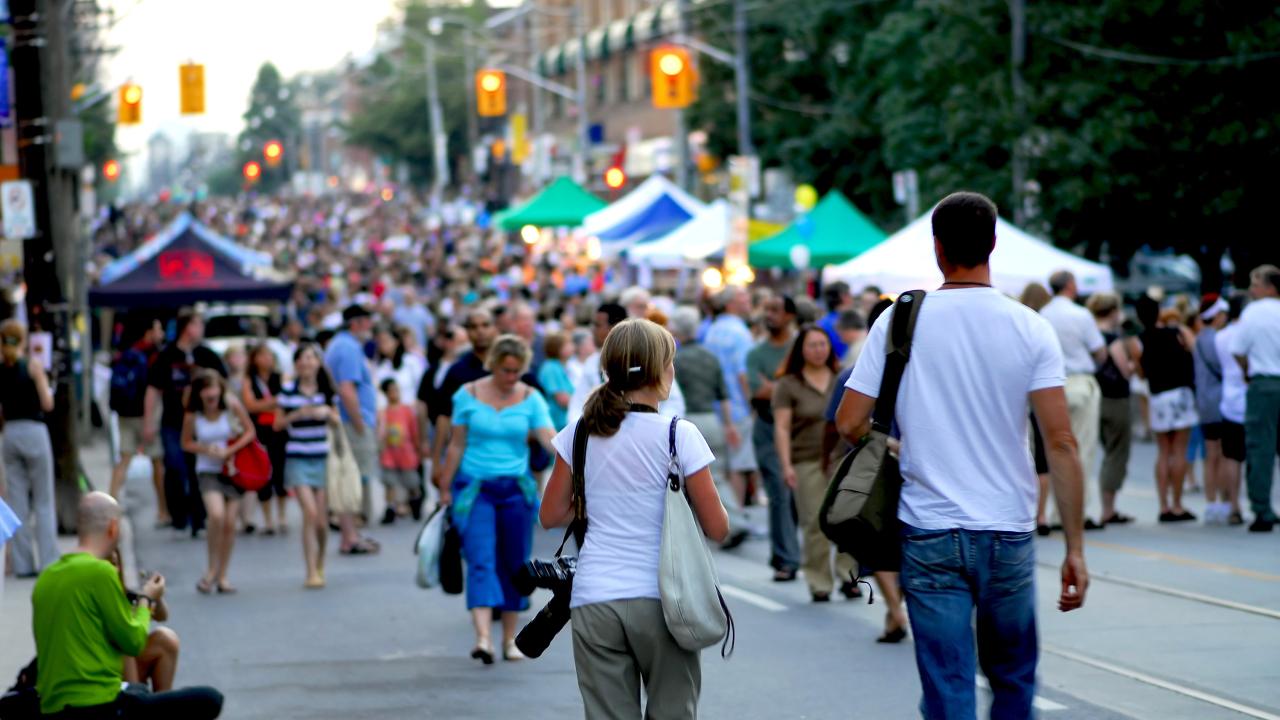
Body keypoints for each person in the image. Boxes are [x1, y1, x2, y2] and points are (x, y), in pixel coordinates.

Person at [836, 191, 1088, 718]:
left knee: (949, 686)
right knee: (1014, 679)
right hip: (1009, 530)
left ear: (936, 248)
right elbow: (1061, 443)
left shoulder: (898, 322)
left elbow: (849, 422)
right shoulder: (1030, 327)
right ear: (994, 244)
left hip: (929, 528)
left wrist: (902, 443)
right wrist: (1075, 548)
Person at [540, 318, 729, 719]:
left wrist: (598, 488)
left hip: (595, 596)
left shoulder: (578, 433)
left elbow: (551, 515)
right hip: (664, 598)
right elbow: (718, 527)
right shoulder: (679, 434)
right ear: (664, 371)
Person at [32, 492, 223, 718]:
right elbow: (132, 642)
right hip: (100, 705)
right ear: (113, 528)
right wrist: (145, 600)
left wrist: (149, 598)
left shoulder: (46, 577)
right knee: (211, 699)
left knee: (162, 644)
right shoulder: (98, 572)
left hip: (52, 709)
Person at [436, 335, 556, 664]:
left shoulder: (531, 398)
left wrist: (572, 456)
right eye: (506, 370)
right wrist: (445, 485)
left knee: (515, 563)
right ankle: (484, 638)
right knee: (480, 558)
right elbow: (456, 444)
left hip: (516, 489)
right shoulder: (468, 395)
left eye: (517, 371)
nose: (511, 377)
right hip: (475, 489)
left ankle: (509, 640)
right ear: (493, 365)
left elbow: (548, 438)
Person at [773, 324, 856, 602]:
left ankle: (850, 576)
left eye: (823, 344)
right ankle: (819, 581)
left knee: (846, 518)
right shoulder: (789, 384)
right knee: (815, 522)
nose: (819, 350)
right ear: (801, 350)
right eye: (812, 345)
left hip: (842, 458)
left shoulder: (840, 377)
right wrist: (785, 464)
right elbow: (782, 428)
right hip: (805, 459)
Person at [671, 306, 750, 548]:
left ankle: (719, 525)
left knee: (687, 479)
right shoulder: (710, 357)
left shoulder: (676, 359)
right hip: (712, 419)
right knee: (718, 476)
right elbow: (723, 394)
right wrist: (729, 425)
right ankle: (734, 518)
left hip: (687, 420)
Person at [145, 309, 226, 535]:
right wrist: (148, 422)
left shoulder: (207, 355)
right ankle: (178, 513)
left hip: (201, 423)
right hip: (173, 421)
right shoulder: (167, 356)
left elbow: (224, 383)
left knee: (196, 469)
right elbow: (153, 389)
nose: (201, 330)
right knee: (175, 465)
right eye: (197, 324)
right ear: (187, 327)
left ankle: (198, 516)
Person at [1040, 270, 1106, 530]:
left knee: (1056, 449)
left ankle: (1053, 510)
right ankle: (1078, 511)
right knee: (1083, 448)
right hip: (1079, 380)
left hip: (1051, 383)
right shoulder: (1081, 314)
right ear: (1070, 285)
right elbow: (1099, 351)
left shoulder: (1044, 315)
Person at [182, 370, 255, 595]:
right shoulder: (193, 415)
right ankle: (211, 569)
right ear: (200, 393)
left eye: (214, 390)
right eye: (206, 391)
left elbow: (250, 432)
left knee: (230, 523)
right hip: (207, 470)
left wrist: (229, 450)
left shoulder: (231, 406)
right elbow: (186, 443)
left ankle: (223, 575)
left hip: (233, 470)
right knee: (216, 515)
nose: (211, 396)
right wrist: (207, 449)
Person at [746, 294, 802, 581]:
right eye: (766, 309)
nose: (769, 315)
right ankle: (788, 560)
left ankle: (785, 552)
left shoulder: (801, 346)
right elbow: (758, 391)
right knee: (779, 493)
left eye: (775, 310)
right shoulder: (756, 353)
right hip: (768, 429)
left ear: (790, 315)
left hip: (802, 430)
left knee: (798, 497)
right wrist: (789, 385)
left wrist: (777, 385)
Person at [275, 344, 338, 586]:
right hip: (297, 457)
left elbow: (337, 420)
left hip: (322, 457)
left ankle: (320, 562)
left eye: (311, 358)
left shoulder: (326, 390)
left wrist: (327, 414)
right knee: (309, 514)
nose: (306, 362)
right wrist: (298, 414)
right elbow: (278, 424)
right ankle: (310, 570)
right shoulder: (288, 391)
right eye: (301, 358)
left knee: (321, 521)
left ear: (318, 363)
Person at [0, 319, 58, 578]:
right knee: (44, 499)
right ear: (23, 340)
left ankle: (23, 564)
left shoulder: (2, 369)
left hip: (10, 433)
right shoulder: (33, 366)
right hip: (34, 431)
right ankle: (48, 560)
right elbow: (47, 403)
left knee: (18, 501)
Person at [1136, 300, 1200, 522]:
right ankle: (1177, 504)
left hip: (1158, 396)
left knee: (1163, 451)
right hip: (1180, 393)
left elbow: (1141, 372)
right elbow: (1195, 351)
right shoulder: (1177, 332)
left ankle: (1163, 505)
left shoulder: (1140, 340)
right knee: (1179, 450)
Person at [324, 304, 381, 554]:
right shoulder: (347, 347)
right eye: (367, 322)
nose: (369, 328)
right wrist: (359, 423)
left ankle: (352, 532)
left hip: (348, 420)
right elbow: (347, 389)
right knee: (352, 479)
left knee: (350, 477)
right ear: (356, 323)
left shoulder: (342, 345)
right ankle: (349, 535)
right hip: (351, 422)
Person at [1232, 265, 1280, 532]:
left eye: (1256, 283)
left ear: (1270, 287)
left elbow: (1237, 349)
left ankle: (1262, 509)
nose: (1252, 289)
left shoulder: (1253, 312)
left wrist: (1247, 370)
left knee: (1261, 448)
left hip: (1264, 382)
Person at [108, 318, 168, 528]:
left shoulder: (125, 353)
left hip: (125, 414)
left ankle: (110, 505)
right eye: (158, 329)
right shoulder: (152, 355)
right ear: (148, 332)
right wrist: (150, 421)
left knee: (123, 459)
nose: (161, 333)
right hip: (146, 415)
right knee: (157, 461)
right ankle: (163, 509)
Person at [1087, 291, 1139, 525]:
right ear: (1114, 312)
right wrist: (1132, 361)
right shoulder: (1113, 339)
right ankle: (1108, 508)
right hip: (1116, 399)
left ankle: (1104, 506)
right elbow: (1125, 371)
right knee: (1116, 453)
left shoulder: (1090, 335)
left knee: (1104, 450)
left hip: (1096, 396)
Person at [703, 287, 758, 506]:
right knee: (739, 466)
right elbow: (743, 374)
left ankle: (725, 517)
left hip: (717, 407)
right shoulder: (739, 332)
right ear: (730, 304)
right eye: (742, 297)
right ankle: (737, 519)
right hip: (738, 408)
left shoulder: (712, 330)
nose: (748, 301)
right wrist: (751, 403)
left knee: (722, 468)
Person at [110, 549, 180, 692]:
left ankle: (162, 703)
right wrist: (145, 599)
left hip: (128, 662)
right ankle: (135, 700)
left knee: (166, 639)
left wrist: (155, 596)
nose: (113, 569)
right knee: (125, 642)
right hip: (105, 670)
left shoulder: (123, 593)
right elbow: (127, 639)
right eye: (108, 564)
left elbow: (162, 616)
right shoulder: (94, 593)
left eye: (115, 564)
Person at [241, 343, 288, 536]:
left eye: (269, 355)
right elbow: (250, 405)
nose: (266, 359)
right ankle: (268, 519)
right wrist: (272, 403)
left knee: (281, 471)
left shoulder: (280, 377)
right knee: (263, 472)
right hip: (259, 431)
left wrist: (266, 405)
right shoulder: (249, 379)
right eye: (262, 355)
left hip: (278, 429)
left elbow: (285, 400)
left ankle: (282, 517)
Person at [1192, 295, 1230, 523]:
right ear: (1216, 315)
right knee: (1223, 454)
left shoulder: (1197, 339)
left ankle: (1210, 502)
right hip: (1220, 400)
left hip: (1204, 402)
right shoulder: (1216, 339)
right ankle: (1224, 501)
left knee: (1210, 454)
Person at [1214, 295, 1248, 526]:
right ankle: (1260, 502)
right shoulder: (1247, 333)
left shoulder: (1221, 336)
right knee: (1259, 454)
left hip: (1229, 399)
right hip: (1250, 395)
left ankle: (1233, 504)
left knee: (1232, 456)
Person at [377, 379, 422, 524]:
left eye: (396, 390)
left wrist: (418, 448)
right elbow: (380, 432)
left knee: (411, 482)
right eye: (391, 391)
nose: (394, 394)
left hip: (406, 452)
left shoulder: (407, 410)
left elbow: (414, 431)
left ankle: (415, 503)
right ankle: (390, 508)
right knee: (390, 482)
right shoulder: (383, 413)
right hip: (389, 453)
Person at [537, 331, 575, 431]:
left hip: (564, 422)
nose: (572, 346)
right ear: (557, 348)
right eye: (567, 344)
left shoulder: (559, 366)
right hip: (556, 424)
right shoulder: (550, 368)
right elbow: (562, 399)